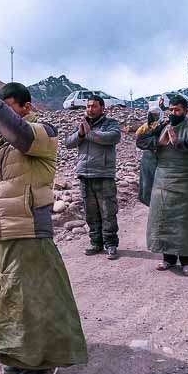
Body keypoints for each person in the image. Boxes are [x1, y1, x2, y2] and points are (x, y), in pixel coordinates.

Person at [0, 58, 87, 374]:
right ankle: (15, 355)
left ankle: (44, 361)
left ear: (26, 108)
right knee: (4, 296)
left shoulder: (42, 133)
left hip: (28, 228)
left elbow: (19, 132)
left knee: (35, 297)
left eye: (9, 109)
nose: (2, 117)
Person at [136, 95, 188, 276]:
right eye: (171, 110)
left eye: (177, 110)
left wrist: (180, 142)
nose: (173, 113)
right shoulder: (162, 127)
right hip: (163, 179)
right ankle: (167, 258)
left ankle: (187, 261)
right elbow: (140, 140)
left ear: (184, 111)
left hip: (186, 180)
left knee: (186, 221)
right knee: (164, 218)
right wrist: (158, 142)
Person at [63, 94, 122, 259]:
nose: (90, 109)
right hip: (85, 174)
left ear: (102, 108)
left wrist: (88, 134)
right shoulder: (82, 124)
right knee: (91, 213)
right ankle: (96, 242)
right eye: (88, 106)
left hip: (104, 174)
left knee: (108, 211)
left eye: (94, 106)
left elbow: (112, 137)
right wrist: (81, 134)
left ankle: (111, 244)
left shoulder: (111, 124)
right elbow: (68, 143)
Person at [135, 110, 161, 206]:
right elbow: (139, 140)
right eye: (153, 114)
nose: (155, 116)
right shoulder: (145, 127)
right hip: (147, 158)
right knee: (147, 183)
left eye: (157, 114)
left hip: (158, 158)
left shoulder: (163, 125)